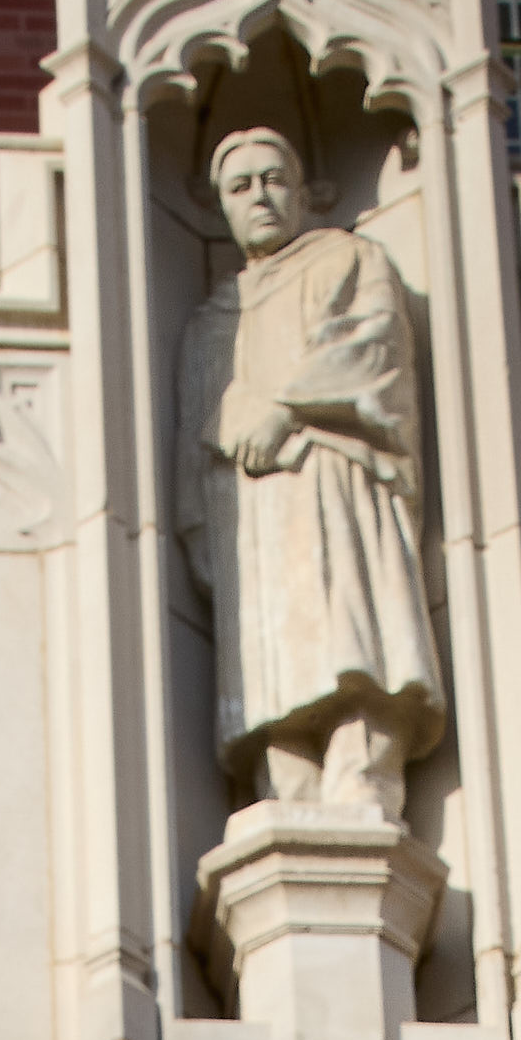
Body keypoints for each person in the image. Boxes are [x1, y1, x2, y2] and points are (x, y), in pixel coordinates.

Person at [179, 120, 440, 829]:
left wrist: (288, 410)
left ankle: (365, 777)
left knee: (354, 631)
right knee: (269, 662)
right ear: (220, 208)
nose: (259, 195)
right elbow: (192, 437)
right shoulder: (213, 319)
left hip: (334, 478)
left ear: (304, 192)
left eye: (273, 178)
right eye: (240, 186)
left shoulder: (349, 258)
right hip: (253, 511)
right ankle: (288, 790)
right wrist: (199, 520)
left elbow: (375, 348)